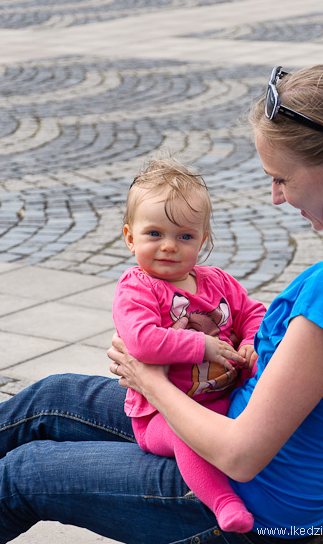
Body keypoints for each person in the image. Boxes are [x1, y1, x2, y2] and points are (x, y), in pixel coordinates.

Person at [0, 64, 323, 544]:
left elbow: (241, 454)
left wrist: (149, 381)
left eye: (281, 178)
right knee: (53, 397)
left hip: (256, 502)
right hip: (244, 432)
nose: (276, 197)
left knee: (23, 475)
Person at [113, 158, 266, 532]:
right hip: (160, 415)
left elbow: (253, 311)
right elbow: (143, 342)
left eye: (184, 236)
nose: (169, 247)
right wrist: (203, 346)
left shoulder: (217, 282)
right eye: (154, 234)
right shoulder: (137, 288)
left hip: (217, 398)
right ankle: (223, 503)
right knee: (191, 438)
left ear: (203, 240)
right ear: (130, 237)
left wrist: (249, 340)